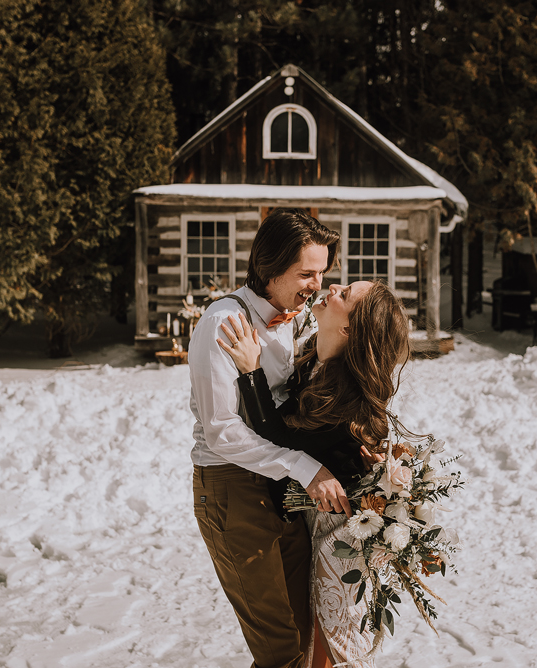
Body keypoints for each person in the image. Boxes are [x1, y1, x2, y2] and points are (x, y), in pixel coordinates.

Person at [217, 280, 411, 668]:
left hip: (339, 541)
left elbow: (277, 437)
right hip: (310, 528)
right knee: (309, 639)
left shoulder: (347, 399)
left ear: (348, 330)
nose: (333, 286)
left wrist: (251, 370)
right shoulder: (314, 361)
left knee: (333, 646)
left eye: (344, 295)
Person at [188, 208, 349, 668]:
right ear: (269, 266)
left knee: (303, 630)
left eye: (321, 273)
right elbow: (221, 432)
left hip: (284, 490)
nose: (316, 285)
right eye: (306, 273)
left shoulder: (295, 319)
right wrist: (305, 467)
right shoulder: (224, 322)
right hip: (232, 487)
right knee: (278, 648)